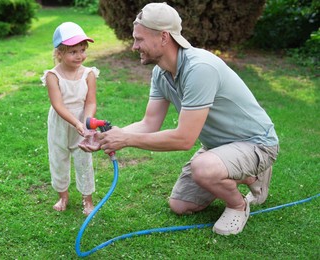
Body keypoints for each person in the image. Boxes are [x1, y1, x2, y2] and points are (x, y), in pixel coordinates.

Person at [79, 3, 279, 235]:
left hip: (257, 143)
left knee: (202, 168)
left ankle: (237, 205)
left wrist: (126, 140)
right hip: (220, 147)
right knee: (180, 205)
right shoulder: (161, 73)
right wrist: (106, 138)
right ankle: (250, 176)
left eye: (140, 39)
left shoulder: (200, 68)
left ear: (163, 37)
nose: (134, 46)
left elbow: (184, 139)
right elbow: (149, 124)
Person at [41, 22, 99, 216]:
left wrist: (87, 122)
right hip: (61, 122)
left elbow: (90, 102)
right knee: (59, 158)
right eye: (73, 51)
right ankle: (63, 195)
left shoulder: (89, 74)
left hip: (82, 120)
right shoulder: (52, 76)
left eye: (82, 50)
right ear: (59, 53)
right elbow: (58, 105)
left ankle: (87, 199)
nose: (80, 55)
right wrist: (75, 123)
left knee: (84, 159)